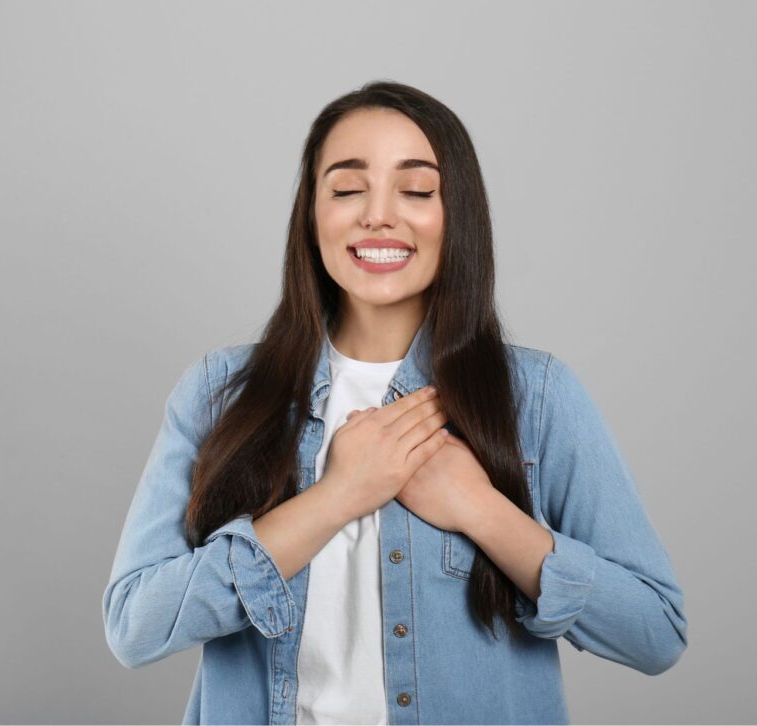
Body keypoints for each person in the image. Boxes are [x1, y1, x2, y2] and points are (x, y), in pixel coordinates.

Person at [101, 80, 688, 725]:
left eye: (416, 190)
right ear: (311, 215)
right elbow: (135, 626)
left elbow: (655, 631)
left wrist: (480, 509)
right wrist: (337, 496)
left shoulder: (537, 397)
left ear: (455, 216)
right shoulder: (219, 393)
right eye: (348, 189)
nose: (378, 215)